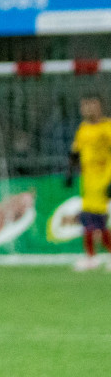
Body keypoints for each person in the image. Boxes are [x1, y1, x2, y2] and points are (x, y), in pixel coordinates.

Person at [67, 94, 111, 271]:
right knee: (90, 220)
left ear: (100, 106)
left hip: (105, 180)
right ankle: (91, 257)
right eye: (84, 105)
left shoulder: (107, 127)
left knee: (101, 220)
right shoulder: (83, 129)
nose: (87, 109)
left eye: (91, 105)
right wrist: (69, 173)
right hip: (88, 182)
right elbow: (75, 152)